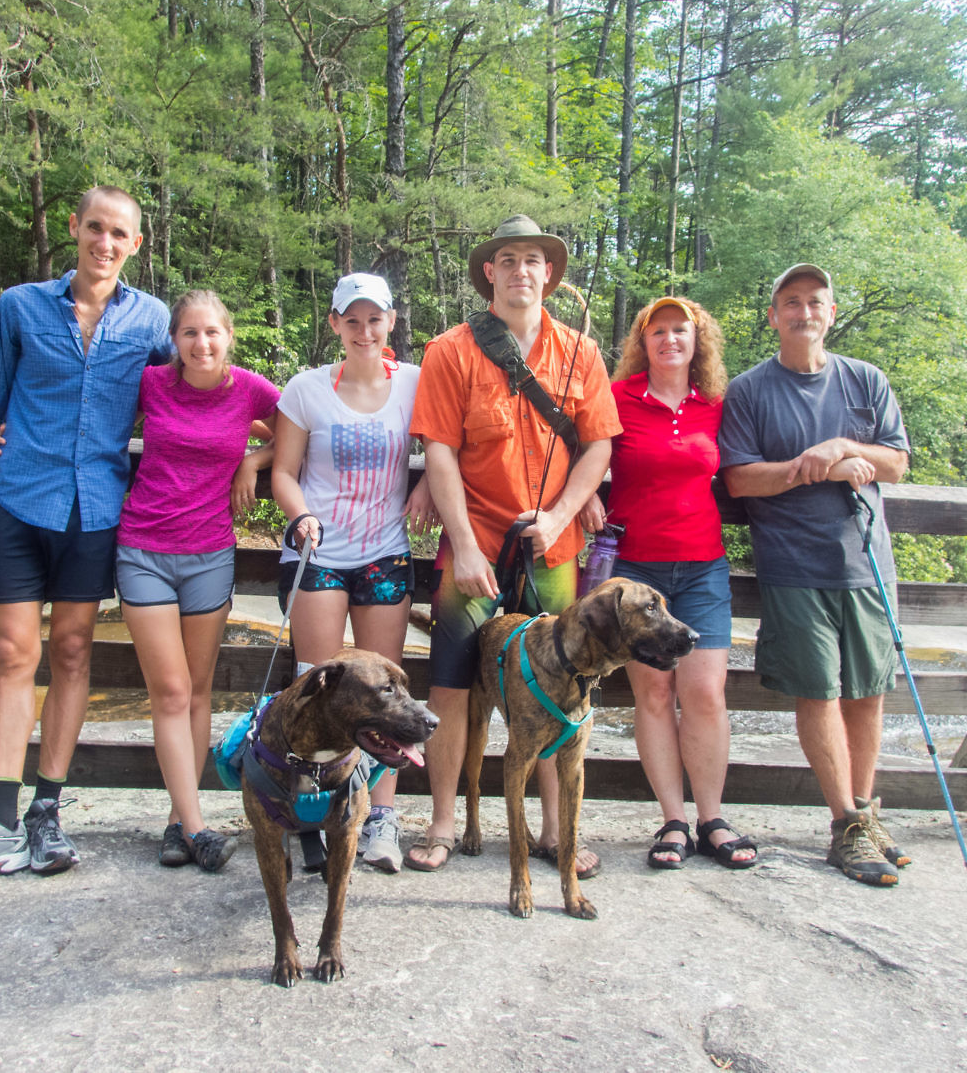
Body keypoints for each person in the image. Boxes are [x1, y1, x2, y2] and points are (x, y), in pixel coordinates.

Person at [0, 186, 171, 887]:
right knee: (11, 655)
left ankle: (46, 813)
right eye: (95, 228)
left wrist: (254, 448)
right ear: (74, 228)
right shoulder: (20, 305)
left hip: (95, 510)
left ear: (135, 244)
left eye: (120, 234)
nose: (105, 244)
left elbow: (192, 390)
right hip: (19, 501)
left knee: (72, 649)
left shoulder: (152, 321)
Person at [405, 215, 621, 874]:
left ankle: (557, 831)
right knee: (448, 689)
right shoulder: (450, 350)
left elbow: (600, 444)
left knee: (560, 691)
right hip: (473, 548)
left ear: (548, 275)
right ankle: (443, 823)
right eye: (508, 259)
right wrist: (463, 546)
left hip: (550, 554)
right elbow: (439, 454)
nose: (521, 270)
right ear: (489, 273)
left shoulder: (580, 352)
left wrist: (558, 517)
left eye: (533, 260)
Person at [718, 263, 912, 887]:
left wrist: (843, 450)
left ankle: (864, 815)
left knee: (868, 691)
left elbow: (898, 462)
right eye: (791, 302)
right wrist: (813, 465)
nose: (804, 312)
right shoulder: (750, 390)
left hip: (866, 562)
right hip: (794, 567)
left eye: (815, 302)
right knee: (820, 692)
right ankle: (844, 824)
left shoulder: (866, 380)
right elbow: (740, 479)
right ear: (774, 316)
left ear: (831, 313)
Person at [581, 296, 757, 871]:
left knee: (704, 694)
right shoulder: (619, 397)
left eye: (681, 330)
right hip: (637, 575)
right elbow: (580, 453)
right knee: (653, 695)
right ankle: (673, 820)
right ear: (643, 340)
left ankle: (713, 818)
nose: (669, 340)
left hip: (703, 565)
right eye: (657, 331)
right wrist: (582, 499)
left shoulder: (718, 405)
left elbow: (748, 464)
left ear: (697, 340)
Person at [270, 273, 435, 874]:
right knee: (316, 684)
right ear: (336, 324)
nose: (364, 331)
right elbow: (283, 470)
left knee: (386, 694)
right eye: (352, 320)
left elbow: (450, 445)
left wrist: (423, 485)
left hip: (385, 553)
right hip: (319, 554)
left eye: (375, 319)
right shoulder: (307, 389)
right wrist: (302, 515)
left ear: (391, 321)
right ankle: (312, 810)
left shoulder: (415, 383)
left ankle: (380, 817)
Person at [116, 290, 278, 874]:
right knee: (171, 692)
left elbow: (299, 433)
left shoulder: (253, 391)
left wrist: (253, 461)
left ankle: (175, 820)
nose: (201, 343)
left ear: (228, 336)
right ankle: (198, 827)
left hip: (210, 554)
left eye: (212, 332)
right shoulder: (152, 384)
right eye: (189, 333)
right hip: (144, 550)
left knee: (200, 690)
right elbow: (93, 422)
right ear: (175, 340)